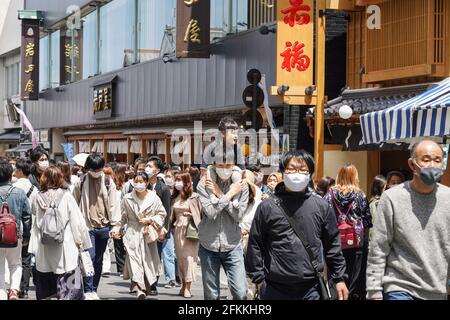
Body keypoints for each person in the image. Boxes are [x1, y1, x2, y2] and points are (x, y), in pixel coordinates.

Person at [245, 150, 348, 300]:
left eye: (303, 170)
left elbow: (332, 244)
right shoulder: (267, 207)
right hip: (274, 287)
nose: (297, 174)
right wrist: (259, 279)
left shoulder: (321, 206)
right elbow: (255, 244)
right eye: (291, 169)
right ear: (283, 172)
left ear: (310, 174)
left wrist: (339, 278)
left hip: (310, 287)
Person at [367, 140, 450, 300]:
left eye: (437, 160)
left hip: (437, 289)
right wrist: (373, 289)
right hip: (399, 286)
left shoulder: (448, 198)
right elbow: (379, 246)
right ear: (412, 165)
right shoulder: (392, 198)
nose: (432, 164)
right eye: (425, 159)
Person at [28, 166, 91, 300]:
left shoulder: (37, 197)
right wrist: (81, 241)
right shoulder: (67, 196)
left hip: (43, 243)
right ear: (60, 178)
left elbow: (35, 218)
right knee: (67, 277)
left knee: (45, 276)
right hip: (65, 243)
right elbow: (76, 221)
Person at [196, 154, 249, 300]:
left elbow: (238, 216)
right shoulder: (204, 184)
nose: (224, 169)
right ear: (213, 165)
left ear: (234, 165)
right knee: (212, 295)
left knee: (241, 292)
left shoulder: (242, 186)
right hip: (208, 244)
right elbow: (211, 212)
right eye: (220, 165)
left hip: (232, 244)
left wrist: (220, 194)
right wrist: (229, 195)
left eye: (228, 166)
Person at [72, 154, 121, 300]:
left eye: (99, 168)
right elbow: (74, 204)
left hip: (104, 226)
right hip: (86, 226)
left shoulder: (107, 181)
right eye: (94, 169)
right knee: (90, 258)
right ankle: (87, 290)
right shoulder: (80, 182)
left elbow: (114, 204)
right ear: (88, 168)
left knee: (98, 260)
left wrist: (115, 225)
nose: (96, 171)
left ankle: (94, 289)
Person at [111, 172, 167, 300]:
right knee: (134, 261)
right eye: (136, 181)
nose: (138, 184)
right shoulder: (127, 198)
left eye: (141, 181)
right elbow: (121, 217)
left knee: (147, 263)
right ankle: (138, 289)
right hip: (132, 233)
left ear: (147, 183)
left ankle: (146, 287)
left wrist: (150, 219)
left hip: (147, 234)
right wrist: (116, 229)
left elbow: (162, 214)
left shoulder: (154, 198)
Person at [323, 164, 372, 300]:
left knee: (336, 279)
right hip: (356, 245)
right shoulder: (360, 196)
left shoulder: (329, 195)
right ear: (355, 176)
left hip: (334, 245)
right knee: (355, 283)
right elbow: (367, 221)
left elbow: (323, 218)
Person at [0, 159, 32, 300]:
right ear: (10, 175)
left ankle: (1, 292)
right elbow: (27, 216)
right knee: (15, 263)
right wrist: (25, 236)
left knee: (0, 266)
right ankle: (13, 290)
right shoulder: (19, 192)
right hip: (15, 235)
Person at [145, 156, 174, 294]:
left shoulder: (164, 189)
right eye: (147, 165)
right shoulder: (143, 185)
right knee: (143, 255)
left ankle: (153, 283)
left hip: (157, 227)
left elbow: (167, 212)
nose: (147, 168)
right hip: (143, 226)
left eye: (150, 166)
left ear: (157, 170)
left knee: (156, 256)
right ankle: (142, 282)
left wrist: (164, 230)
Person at [170, 172, 202, 299]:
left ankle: (188, 287)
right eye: (176, 180)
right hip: (177, 230)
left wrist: (192, 215)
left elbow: (202, 215)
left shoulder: (194, 197)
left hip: (190, 231)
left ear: (186, 182)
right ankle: (183, 285)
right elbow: (170, 215)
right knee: (181, 259)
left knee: (189, 258)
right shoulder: (175, 197)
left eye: (180, 180)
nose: (177, 183)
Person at [12, 157, 38, 299]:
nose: (15, 171)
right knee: (26, 259)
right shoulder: (34, 189)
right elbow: (35, 211)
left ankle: (13, 287)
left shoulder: (14, 187)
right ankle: (25, 289)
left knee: (13, 260)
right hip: (30, 228)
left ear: (21, 171)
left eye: (16, 168)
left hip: (13, 227)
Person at [240, 169, 262, 300]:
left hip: (251, 240)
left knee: (251, 272)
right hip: (237, 240)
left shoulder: (258, 200)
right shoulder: (236, 196)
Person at [368, 175, 386, 241]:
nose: (385, 190)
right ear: (379, 188)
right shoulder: (376, 203)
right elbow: (374, 224)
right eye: (384, 188)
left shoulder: (372, 201)